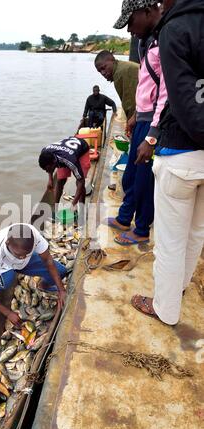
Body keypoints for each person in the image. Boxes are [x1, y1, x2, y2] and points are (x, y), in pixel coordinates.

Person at [131, 0, 204, 325]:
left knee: (171, 241)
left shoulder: (176, 30)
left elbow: (177, 100)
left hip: (182, 156)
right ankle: (181, 289)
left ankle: (165, 308)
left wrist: (152, 138)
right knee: (196, 232)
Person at [107, 0, 167, 246]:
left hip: (154, 122)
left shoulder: (164, 41)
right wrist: (133, 116)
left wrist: (152, 135)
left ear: (147, 10)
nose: (129, 30)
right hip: (143, 118)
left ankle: (141, 229)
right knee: (131, 176)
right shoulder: (147, 42)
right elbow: (147, 86)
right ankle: (124, 218)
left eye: (131, 21)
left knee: (144, 180)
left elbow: (165, 92)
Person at [0, 223, 67, 327]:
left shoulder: (32, 235)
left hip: (20, 263)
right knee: (6, 283)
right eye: (19, 255)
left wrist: (61, 290)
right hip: (2, 266)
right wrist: (8, 313)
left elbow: (48, 260)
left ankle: (43, 285)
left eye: (27, 253)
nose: (23, 257)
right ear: (7, 243)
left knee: (61, 271)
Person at [39, 136, 90, 208]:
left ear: (54, 162)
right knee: (60, 181)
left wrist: (73, 203)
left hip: (82, 150)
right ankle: (55, 207)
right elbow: (48, 166)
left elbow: (81, 181)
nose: (48, 171)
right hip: (64, 153)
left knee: (79, 182)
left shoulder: (70, 160)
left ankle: (81, 209)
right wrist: (50, 179)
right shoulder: (44, 152)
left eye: (49, 169)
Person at [95, 50, 139, 122]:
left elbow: (130, 104)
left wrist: (131, 123)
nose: (103, 73)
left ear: (112, 60)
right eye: (100, 71)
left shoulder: (119, 74)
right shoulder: (122, 66)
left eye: (104, 68)